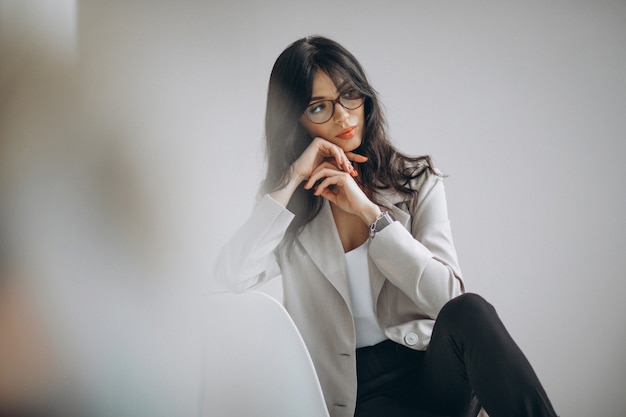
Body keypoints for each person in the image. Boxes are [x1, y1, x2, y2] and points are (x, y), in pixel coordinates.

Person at [216, 36, 558, 417]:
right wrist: (292, 176)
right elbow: (231, 277)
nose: (344, 117)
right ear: (295, 118)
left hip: (433, 371)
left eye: (349, 95)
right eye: (319, 107)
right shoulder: (287, 207)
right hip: (354, 395)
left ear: (365, 95)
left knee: (470, 310)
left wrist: (371, 215)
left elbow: (448, 298)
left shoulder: (416, 182)